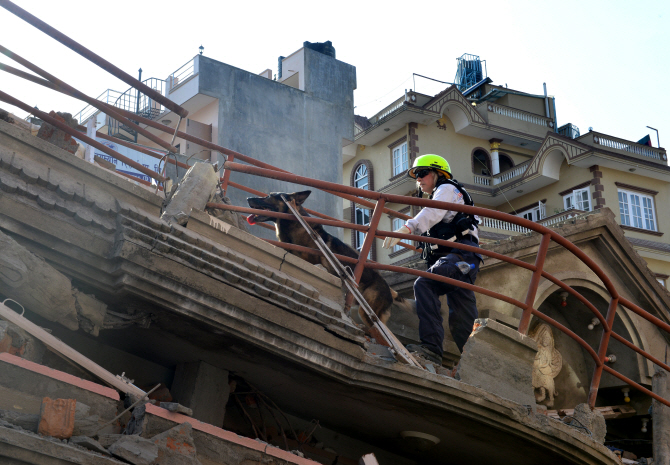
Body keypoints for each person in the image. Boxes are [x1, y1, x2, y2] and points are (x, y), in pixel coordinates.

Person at [382, 154, 482, 365]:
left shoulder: (446, 189)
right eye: (416, 176)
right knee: (462, 317)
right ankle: (475, 364)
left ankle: (431, 349)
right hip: (465, 259)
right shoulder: (445, 193)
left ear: (439, 173)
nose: (418, 179)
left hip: (462, 254)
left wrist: (407, 228)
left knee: (425, 284)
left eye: (422, 173)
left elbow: (432, 213)